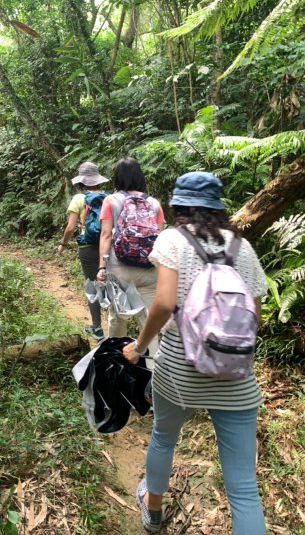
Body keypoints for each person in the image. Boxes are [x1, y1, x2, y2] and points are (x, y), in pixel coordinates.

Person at [123, 171, 267, 535]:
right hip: (235, 376)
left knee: (164, 436)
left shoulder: (173, 239)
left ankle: (153, 510)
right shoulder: (242, 247)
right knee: (244, 489)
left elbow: (164, 303)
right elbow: (256, 317)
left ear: (179, 205)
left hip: (179, 370)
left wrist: (139, 347)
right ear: (219, 207)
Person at [98, 158, 165, 359]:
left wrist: (102, 266)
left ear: (117, 178)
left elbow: (106, 235)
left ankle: (115, 365)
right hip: (149, 270)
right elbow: (160, 238)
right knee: (149, 322)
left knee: (118, 319)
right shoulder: (154, 204)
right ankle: (154, 374)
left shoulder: (110, 201)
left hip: (120, 269)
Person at [56, 162, 109, 340]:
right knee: (111, 284)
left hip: (87, 248)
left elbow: (70, 227)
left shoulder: (78, 199)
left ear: (82, 181)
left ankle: (97, 327)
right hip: (108, 247)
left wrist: (63, 244)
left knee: (92, 284)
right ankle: (117, 326)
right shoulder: (110, 198)